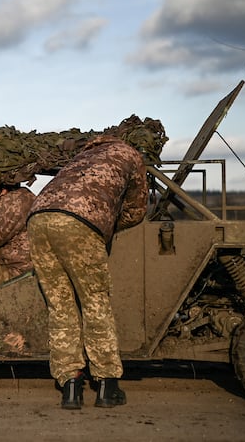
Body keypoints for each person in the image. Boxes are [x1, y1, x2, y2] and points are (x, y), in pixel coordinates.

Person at [26, 134, 148, 410]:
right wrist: (109, 221)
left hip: (38, 218)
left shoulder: (82, 155)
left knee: (60, 306)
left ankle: (71, 386)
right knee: (95, 302)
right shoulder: (130, 155)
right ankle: (106, 386)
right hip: (80, 222)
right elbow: (137, 210)